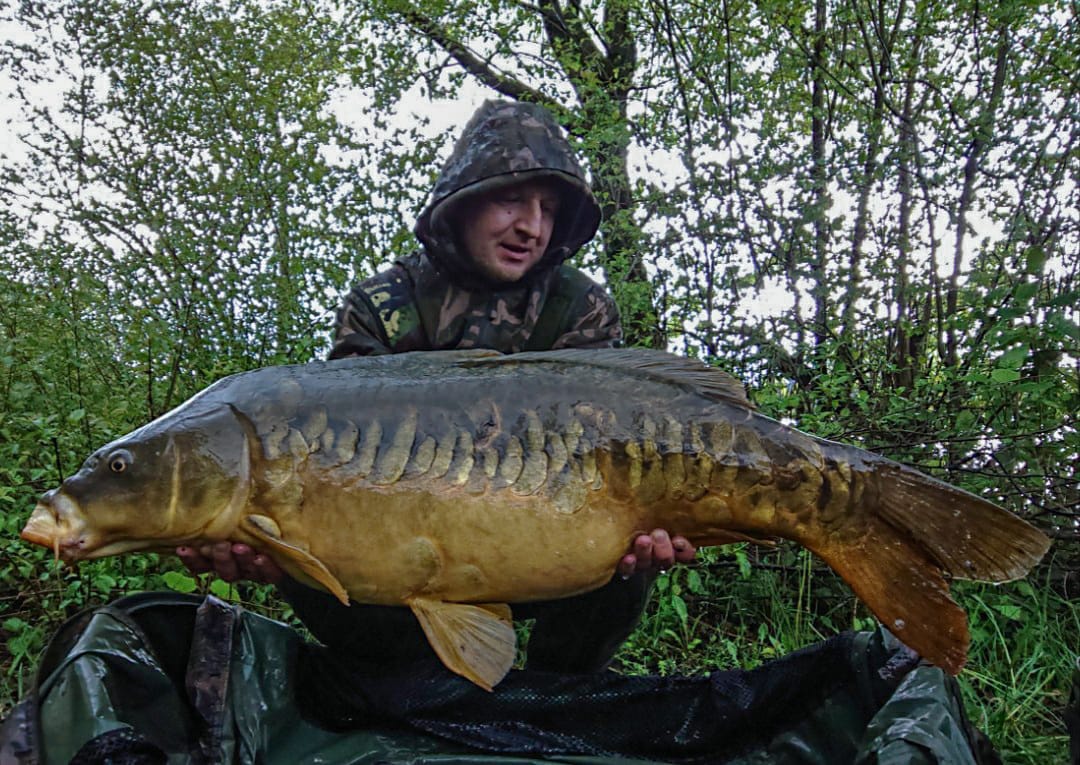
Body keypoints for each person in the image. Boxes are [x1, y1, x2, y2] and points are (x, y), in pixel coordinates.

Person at [177, 98, 696, 674]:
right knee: (310, 539)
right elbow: (329, 461)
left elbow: (614, 436)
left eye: (549, 210)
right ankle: (410, 687)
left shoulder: (580, 307)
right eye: (511, 199)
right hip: (402, 546)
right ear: (464, 200)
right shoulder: (384, 305)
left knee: (629, 548)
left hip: (550, 542)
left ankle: (559, 691)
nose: (531, 226)